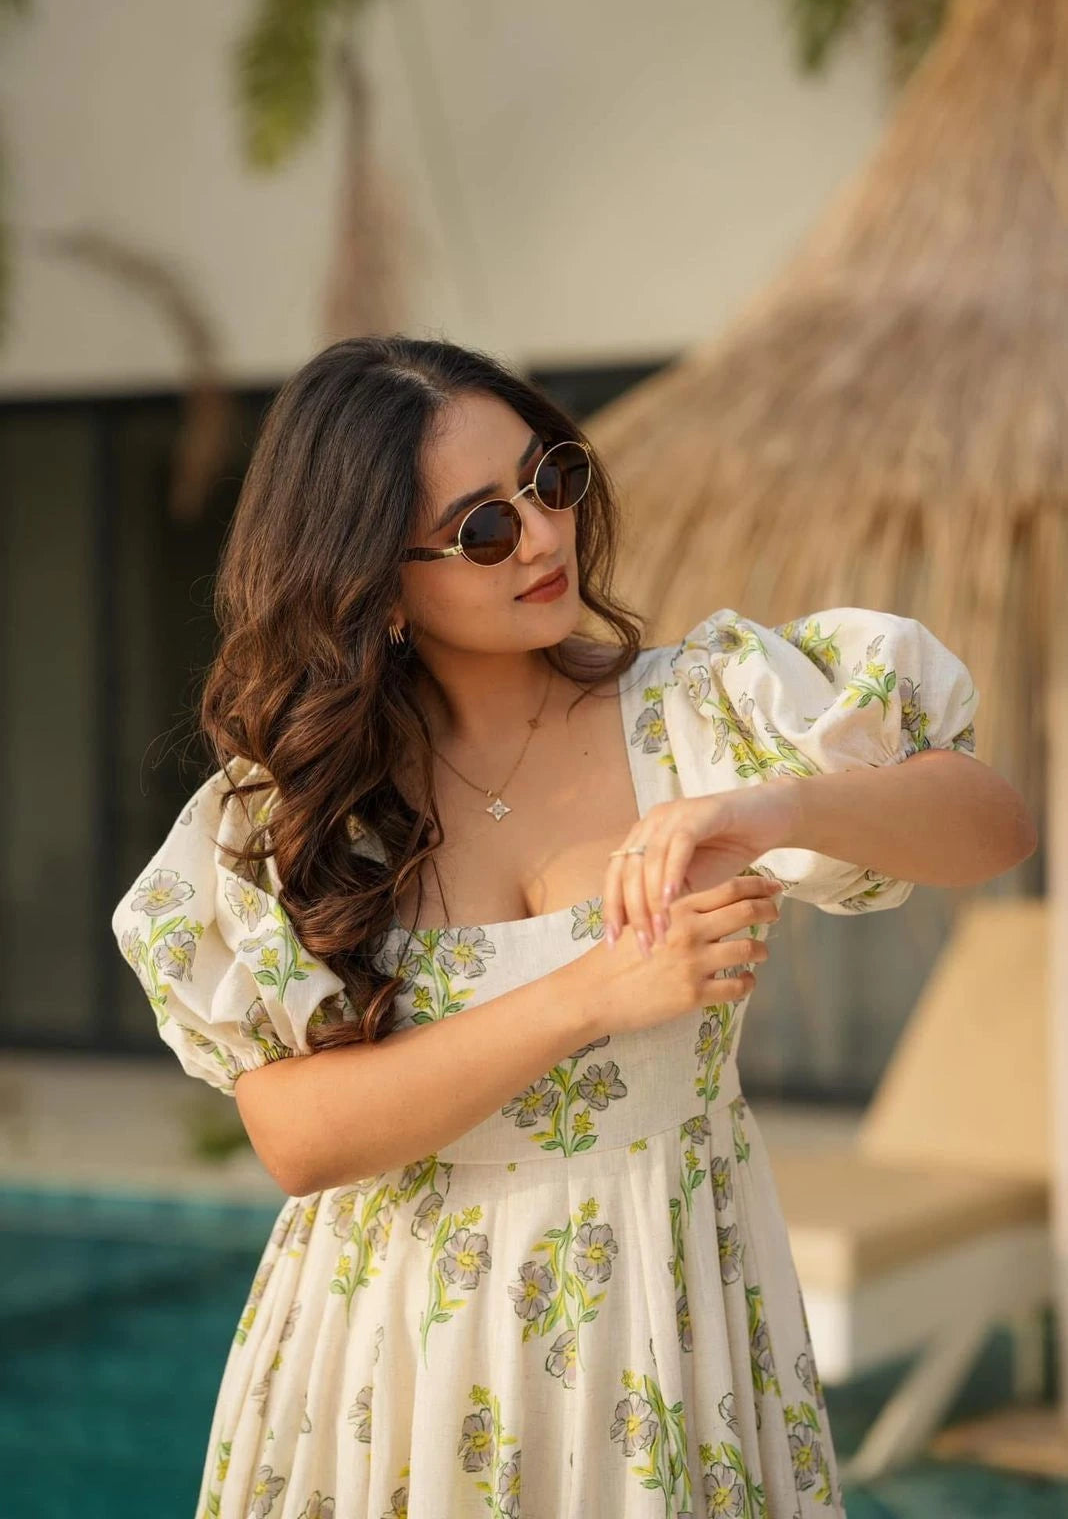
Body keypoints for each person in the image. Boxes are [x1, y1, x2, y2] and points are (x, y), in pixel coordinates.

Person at [111, 334, 1031, 1519]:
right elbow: (299, 1136)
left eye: (549, 479)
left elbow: (991, 821)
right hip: (395, 1356)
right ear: (376, 586)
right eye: (483, 528)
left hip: (666, 1314)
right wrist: (600, 991)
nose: (544, 536)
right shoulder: (294, 808)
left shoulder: (699, 711)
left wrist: (769, 807)